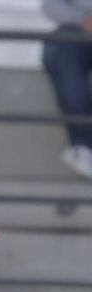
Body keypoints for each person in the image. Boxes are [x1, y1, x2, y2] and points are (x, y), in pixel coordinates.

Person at [42, 0, 92, 179]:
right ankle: (84, 148)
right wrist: (82, 20)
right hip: (76, 30)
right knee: (61, 52)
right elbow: (51, 6)